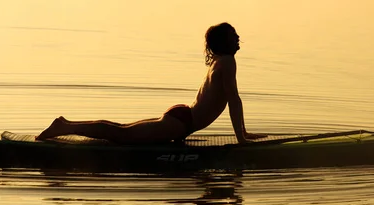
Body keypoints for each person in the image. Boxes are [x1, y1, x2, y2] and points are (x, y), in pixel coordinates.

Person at [36, 22, 266, 144]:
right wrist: (241, 139)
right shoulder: (227, 62)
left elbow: (230, 101)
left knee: (122, 130)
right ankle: (65, 127)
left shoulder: (221, 61)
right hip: (181, 123)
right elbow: (234, 101)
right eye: (232, 35)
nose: (237, 37)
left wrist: (244, 133)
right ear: (223, 42)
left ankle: (67, 124)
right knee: (123, 136)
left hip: (181, 118)